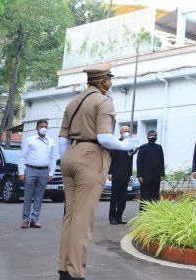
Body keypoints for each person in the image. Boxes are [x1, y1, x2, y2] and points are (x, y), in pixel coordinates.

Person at [58, 62, 138, 280]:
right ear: (104, 81)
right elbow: (104, 137)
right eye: (110, 79)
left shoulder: (73, 102)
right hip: (90, 157)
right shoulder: (103, 101)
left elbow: (62, 139)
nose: (111, 83)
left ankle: (64, 269)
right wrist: (126, 145)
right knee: (83, 219)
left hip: (70, 156)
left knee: (71, 216)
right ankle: (75, 272)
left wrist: (67, 158)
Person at [18, 119, 57, 229]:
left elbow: (53, 158)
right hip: (30, 169)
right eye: (41, 126)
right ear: (37, 128)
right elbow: (22, 156)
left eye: (45, 126)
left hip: (44, 171)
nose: (43, 128)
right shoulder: (30, 140)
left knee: (39, 197)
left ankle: (34, 220)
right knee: (28, 196)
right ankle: (25, 220)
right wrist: (21, 172)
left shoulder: (51, 141)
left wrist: (51, 173)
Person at [108, 125, 135, 225]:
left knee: (123, 198)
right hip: (116, 174)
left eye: (128, 131)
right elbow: (111, 159)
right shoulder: (116, 143)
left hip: (125, 175)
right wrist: (110, 173)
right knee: (114, 197)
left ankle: (119, 216)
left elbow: (130, 160)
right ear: (121, 132)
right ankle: (112, 218)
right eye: (125, 131)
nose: (127, 133)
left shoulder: (130, 145)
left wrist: (130, 174)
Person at [137, 129, 165, 211]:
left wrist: (162, 174)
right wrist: (139, 175)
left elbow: (161, 161)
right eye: (151, 135)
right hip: (145, 177)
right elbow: (139, 162)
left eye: (154, 135)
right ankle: (143, 215)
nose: (153, 137)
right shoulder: (142, 148)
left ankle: (153, 214)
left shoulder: (159, 147)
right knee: (145, 196)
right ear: (147, 137)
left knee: (155, 196)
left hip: (156, 176)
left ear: (157, 137)